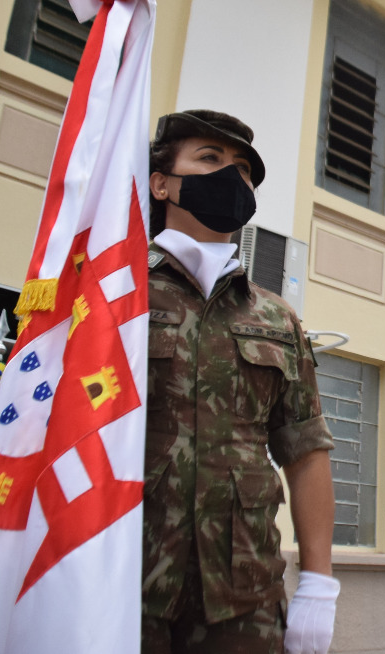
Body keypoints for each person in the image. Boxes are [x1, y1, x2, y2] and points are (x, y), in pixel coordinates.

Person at [143, 110, 338, 654]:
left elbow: (305, 451)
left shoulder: (277, 318)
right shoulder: (113, 293)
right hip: (121, 584)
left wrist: (319, 584)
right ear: (162, 182)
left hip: (244, 597)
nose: (232, 178)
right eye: (209, 159)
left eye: (244, 171)